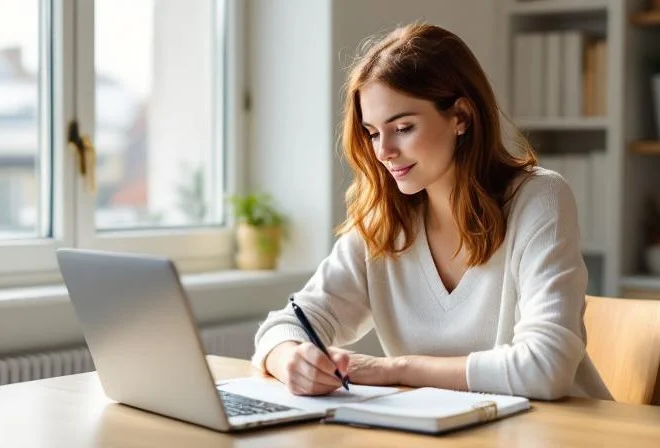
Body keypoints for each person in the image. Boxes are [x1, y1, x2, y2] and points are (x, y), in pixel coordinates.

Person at [251, 23, 612, 401]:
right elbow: (288, 325)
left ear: (461, 117)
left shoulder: (539, 198)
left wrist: (396, 369)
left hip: (557, 433)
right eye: (373, 132)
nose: (383, 151)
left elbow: (545, 369)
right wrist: (290, 360)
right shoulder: (383, 219)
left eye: (403, 127)